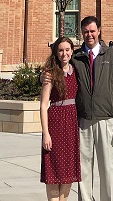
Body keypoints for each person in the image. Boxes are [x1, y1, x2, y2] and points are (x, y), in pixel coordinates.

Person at [72, 16, 113, 201]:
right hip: (83, 122)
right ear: (82, 34)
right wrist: (43, 78)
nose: (89, 35)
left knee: (106, 169)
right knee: (83, 170)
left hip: (107, 120)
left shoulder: (112, 56)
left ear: (99, 31)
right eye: (85, 32)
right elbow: (58, 75)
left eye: (92, 31)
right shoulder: (76, 58)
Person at [40, 36, 81, 201]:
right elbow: (43, 105)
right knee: (53, 168)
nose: (64, 53)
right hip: (55, 122)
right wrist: (46, 133)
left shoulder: (76, 70)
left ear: (72, 51)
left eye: (67, 50)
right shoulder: (50, 74)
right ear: (56, 53)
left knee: (68, 171)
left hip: (71, 123)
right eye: (61, 50)